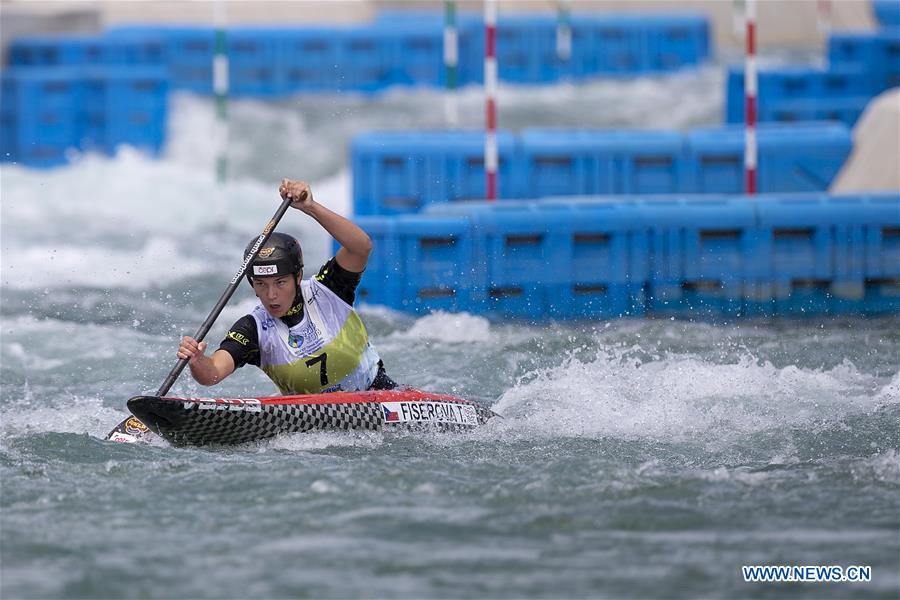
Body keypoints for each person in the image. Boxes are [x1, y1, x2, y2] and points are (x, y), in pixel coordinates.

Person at [176, 178, 396, 395]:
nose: (271, 295)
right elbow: (212, 372)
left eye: (280, 283)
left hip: (378, 394)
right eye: (261, 284)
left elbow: (361, 247)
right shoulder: (253, 329)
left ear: (298, 276)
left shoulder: (329, 289)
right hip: (311, 423)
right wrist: (197, 360)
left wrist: (311, 207)